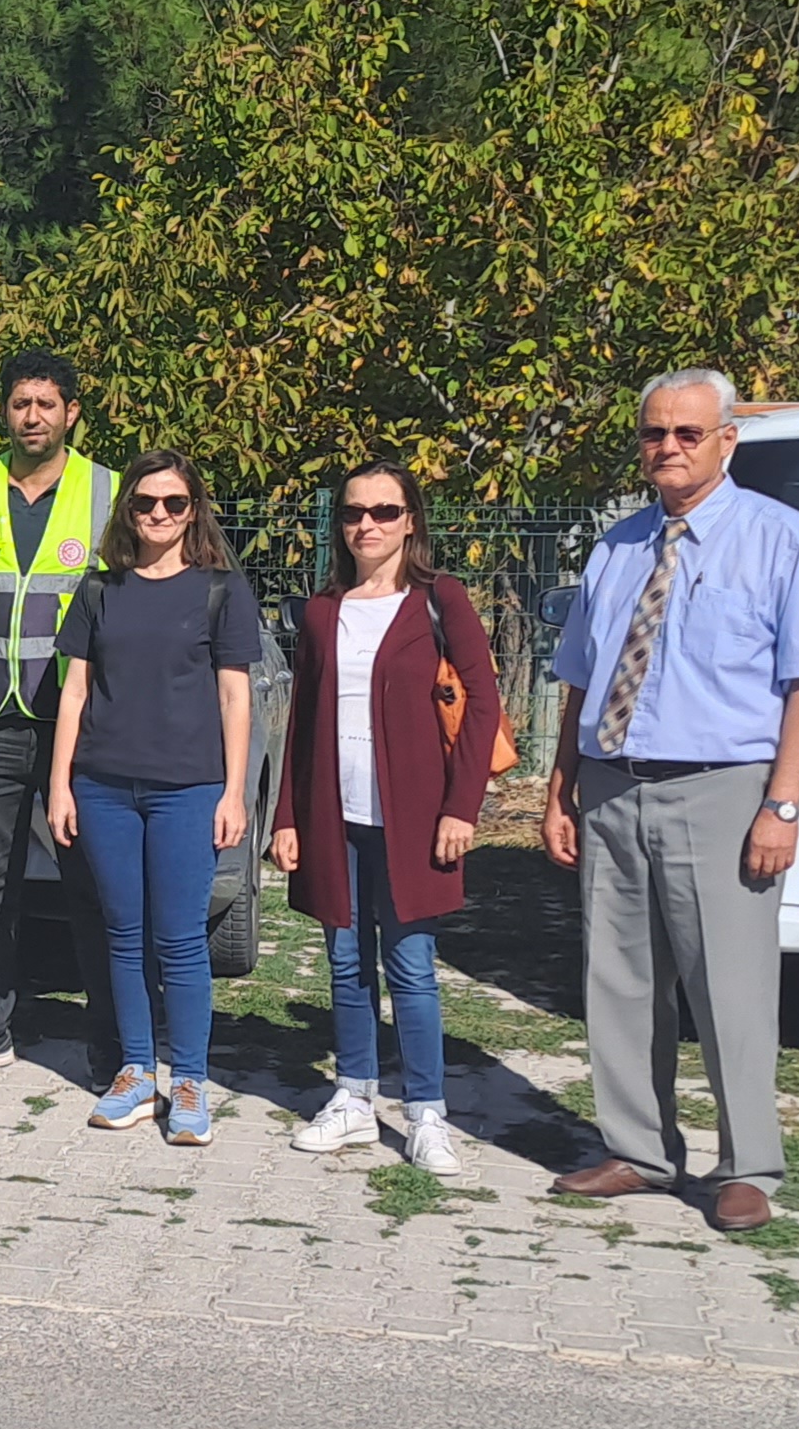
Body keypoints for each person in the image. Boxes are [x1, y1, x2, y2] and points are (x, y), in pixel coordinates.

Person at [542, 369, 799, 1234]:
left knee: (730, 988)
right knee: (620, 981)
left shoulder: (782, 541)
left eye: (687, 433)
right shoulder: (617, 546)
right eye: (654, 433)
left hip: (723, 788)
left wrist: (781, 805)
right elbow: (580, 679)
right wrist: (562, 785)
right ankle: (638, 1148)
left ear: (726, 439)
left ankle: (747, 1165)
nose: (668, 447)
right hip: (612, 784)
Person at [270, 459, 502, 1178]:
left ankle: (427, 1110)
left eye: (384, 511)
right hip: (333, 815)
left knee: (411, 967)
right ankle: (354, 1096)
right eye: (353, 512)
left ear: (411, 520)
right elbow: (301, 718)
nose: (367, 524)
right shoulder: (321, 609)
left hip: (413, 819)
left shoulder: (441, 599)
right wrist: (288, 816)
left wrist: (461, 807)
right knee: (345, 962)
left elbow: (485, 706)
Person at [47, 449, 258, 1146]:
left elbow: (235, 696)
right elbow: (73, 692)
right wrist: (61, 784)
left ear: (192, 509)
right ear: (127, 512)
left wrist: (233, 792)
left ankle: (190, 1080)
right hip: (103, 786)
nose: (159, 514)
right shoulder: (98, 590)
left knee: (179, 941)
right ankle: (137, 1071)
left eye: (173, 502)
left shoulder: (219, 590)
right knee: (123, 936)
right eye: (145, 503)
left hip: (188, 790)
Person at [0, 349, 121, 1076]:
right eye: (19, 403)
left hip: (79, 722)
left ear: (71, 411)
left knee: (90, 882)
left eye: (46, 403)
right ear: (4, 411)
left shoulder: (109, 491)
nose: (31, 415)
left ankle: (111, 1038)